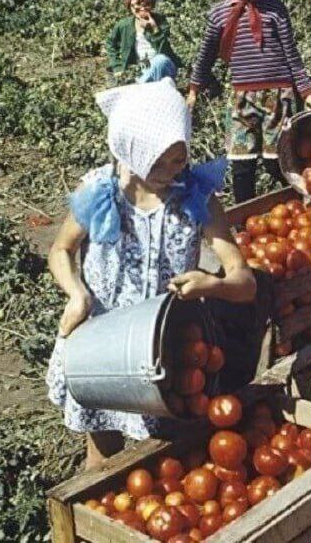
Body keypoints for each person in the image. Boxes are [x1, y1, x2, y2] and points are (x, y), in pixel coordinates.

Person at [45, 79, 257, 469]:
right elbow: (61, 249)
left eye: (179, 159)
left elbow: (245, 283)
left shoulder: (197, 199)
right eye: (159, 161)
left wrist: (215, 284)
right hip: (103, 345)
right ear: (132, 151)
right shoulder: (100, 190)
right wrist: (76, 294)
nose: (173, 170)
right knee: (103, 451)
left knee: (167, 456)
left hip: (169, 348)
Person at [187, 0, 311, 203]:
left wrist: (306, 92)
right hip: (242, 98)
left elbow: (291, 54)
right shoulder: (219, 14)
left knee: (278, 162)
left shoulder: (275, 10)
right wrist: (193, 89)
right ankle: (243, 219)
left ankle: (300, 206)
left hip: (278, 96)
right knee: (241, 165)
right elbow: (205, 55)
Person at [105, 0, 182, 85]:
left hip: (164, 66)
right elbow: (110, 44)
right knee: (163, 83)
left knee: (160, 60)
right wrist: (117, 66)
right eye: (137, 4)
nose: (143, 8)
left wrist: (154, 29)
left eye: (147, 5)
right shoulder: (124, 25)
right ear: (130, 5)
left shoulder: (161, 21)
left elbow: (165, 52)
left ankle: (136, 87)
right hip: (141, 69)